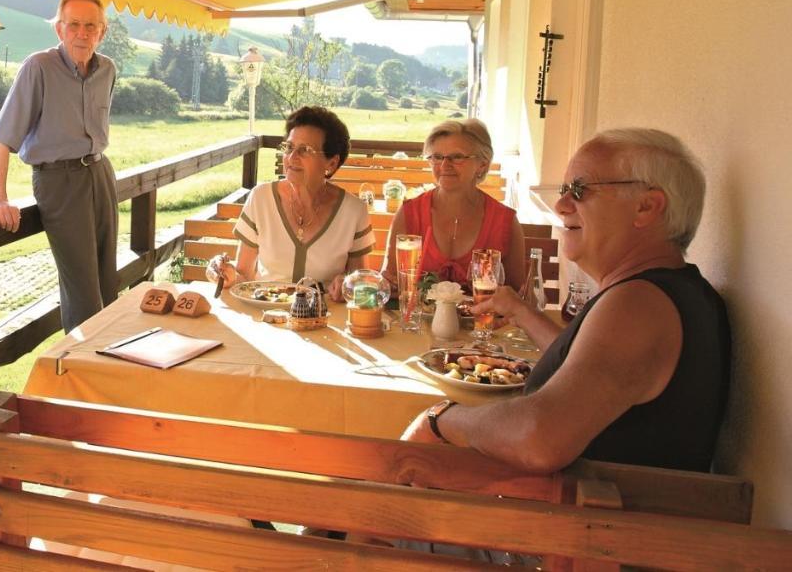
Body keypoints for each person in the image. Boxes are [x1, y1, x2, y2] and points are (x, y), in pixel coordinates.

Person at [402, 128, 731, 473]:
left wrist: (440, 418)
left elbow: (538, 439)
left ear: (646, 206)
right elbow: (585, 367)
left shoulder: (640, 305)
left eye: (579, 190)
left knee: (394, 462)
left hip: (587, 518)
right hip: (596, 510)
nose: (560, 205)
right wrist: (522, 312)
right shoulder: (665, 293)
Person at [0, 0, 117, 332]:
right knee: (83, 293)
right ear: (59, 29)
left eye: (91, 26)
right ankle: (79, 376)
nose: (82, 33)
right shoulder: (39, 67)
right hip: (59, 182)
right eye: (73, 24)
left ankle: (114, 370)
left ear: (101, 32)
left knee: (107, 282)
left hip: (101, 174)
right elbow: (2, 138)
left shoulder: (108, 70)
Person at [211, 106, 374, 296]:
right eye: (289, 147)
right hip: (266, 316)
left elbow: (361, 286)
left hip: (323, 320)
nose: (291, 157)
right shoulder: (260, 198)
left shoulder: (354, 212)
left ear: (331, 163)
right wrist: (227, 275)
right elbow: (244, 276)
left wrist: (347, 285)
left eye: (305, 150)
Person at [382, 119, 526, 293]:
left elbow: (517, 294)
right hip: (419, 319)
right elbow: (389, 279)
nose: (444, 165)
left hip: (480, 319)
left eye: (457, 157)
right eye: (437, 157)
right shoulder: (409, 213)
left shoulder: (505, 221)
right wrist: (387, 284)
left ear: (483, 164)